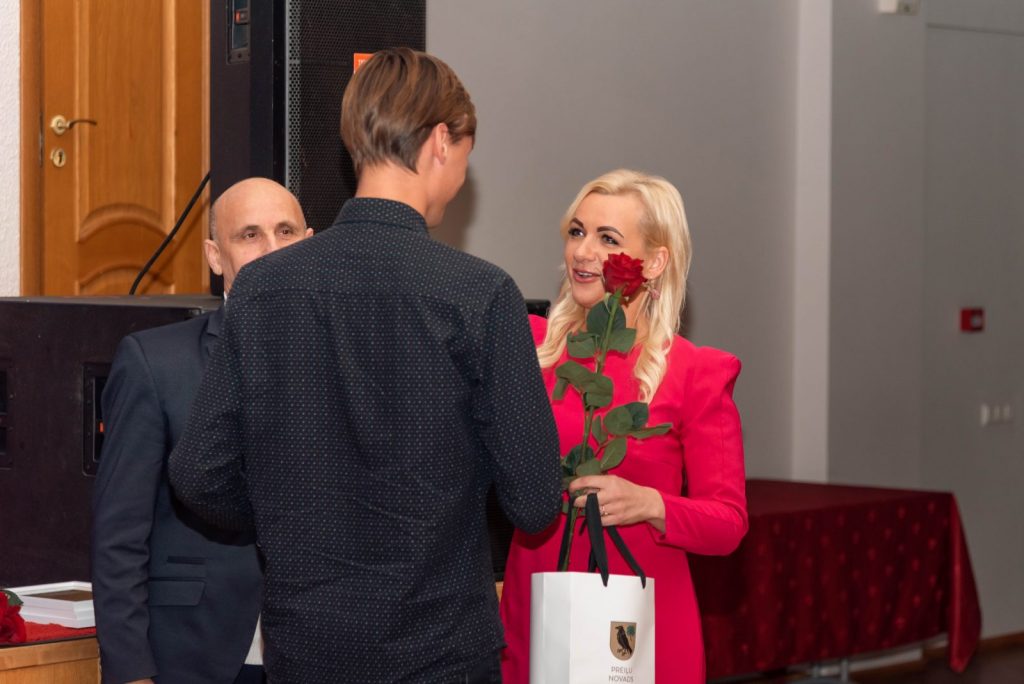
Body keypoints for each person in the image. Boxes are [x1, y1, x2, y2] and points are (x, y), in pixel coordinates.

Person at [167, 48, 562, 684]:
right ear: (441, 141)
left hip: (307, 647)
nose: (463, 174)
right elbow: (536, 500)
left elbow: (199, 472)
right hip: (442, 650)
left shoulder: (262, 290)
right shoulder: (479, 293)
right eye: (466, 154)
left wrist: (285, 517)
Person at [499, 169, 749, 683]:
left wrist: (650, 504)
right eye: (577, 231)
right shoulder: (530, 348)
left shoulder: (696, 372)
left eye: (608, 238)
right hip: (536, 604)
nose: (583, 251)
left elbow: (727, 524)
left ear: (655, 262)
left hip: (640, 626)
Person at [91, 177, 312, 684]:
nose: (272, 250)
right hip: (193, 652)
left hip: (315, 654)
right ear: (215, 256)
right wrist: (129, 671)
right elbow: (119, 533)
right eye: (250, 235)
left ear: (310, 244)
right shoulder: (155, 362)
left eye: (285, 232)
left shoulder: (345, 358)